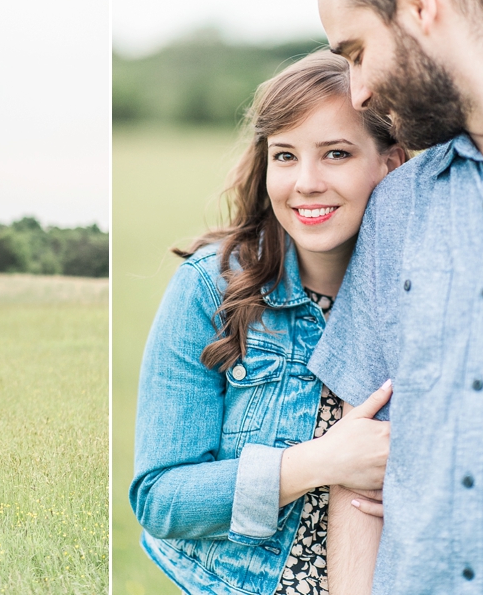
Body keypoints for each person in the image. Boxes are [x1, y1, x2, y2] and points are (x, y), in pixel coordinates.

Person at [308, 0, 483, 592]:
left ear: (418, 3)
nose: (357, 93)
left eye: (358, 51)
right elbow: (358, 476)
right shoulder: (398, 208)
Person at [130, 51, 407, 595]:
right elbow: (160, 497)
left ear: (391, 163)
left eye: (336, 153)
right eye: (285, 155)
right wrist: (321, 461)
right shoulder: (211, 289)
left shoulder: (427, 292)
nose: (306, 182)